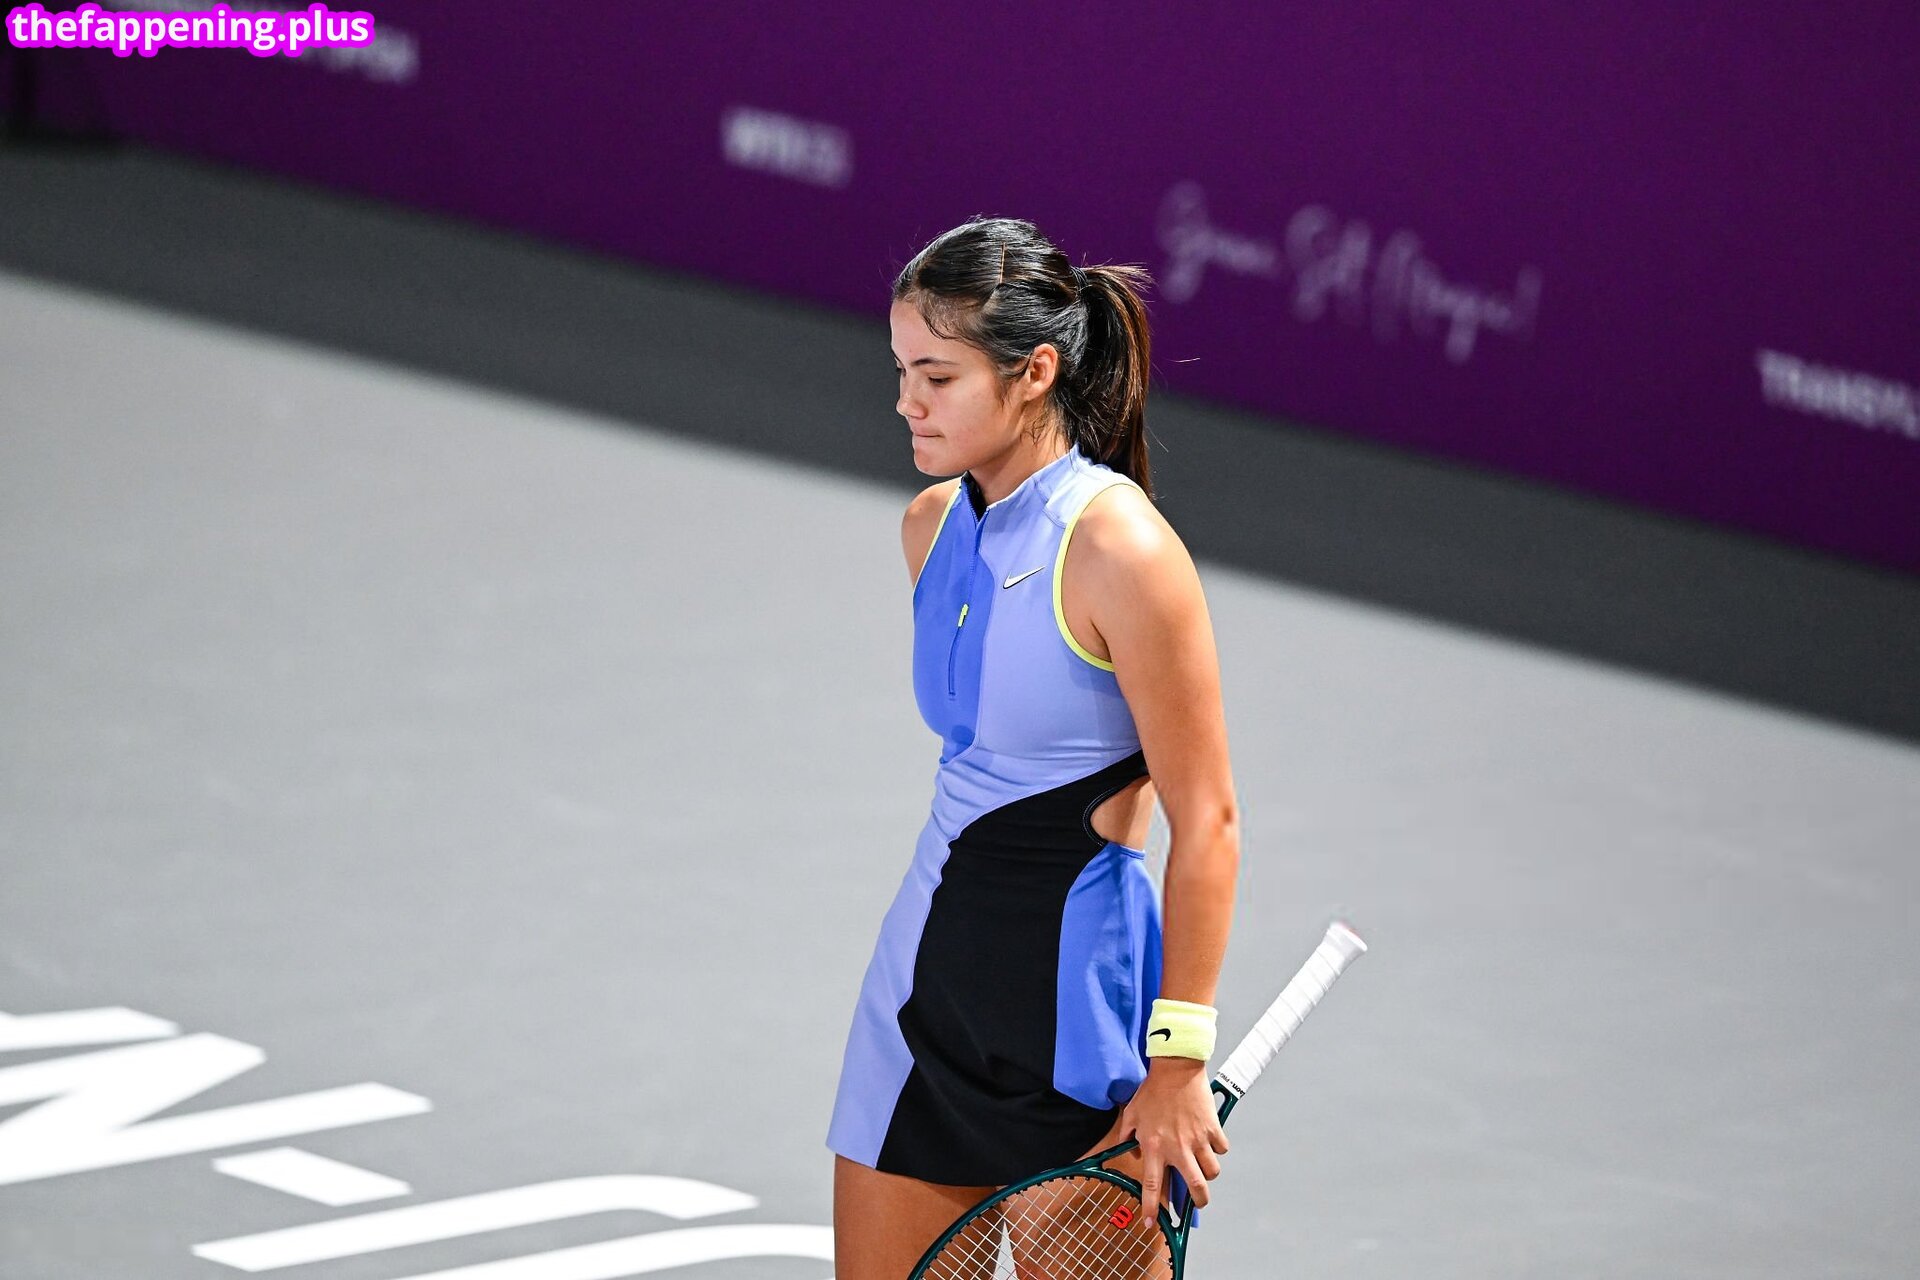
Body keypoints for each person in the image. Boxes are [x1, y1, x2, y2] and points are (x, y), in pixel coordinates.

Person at [828, 215, 1241, 1278]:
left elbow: (1208, 819)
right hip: (919, 1010)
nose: (907, 401)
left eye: (938, 376)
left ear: (1035, 372)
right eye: (901, 371)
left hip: (1080, 1040)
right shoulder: (930, 526)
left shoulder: (1119, 548)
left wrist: (1178, 1058)